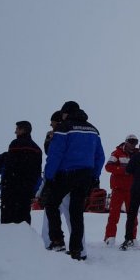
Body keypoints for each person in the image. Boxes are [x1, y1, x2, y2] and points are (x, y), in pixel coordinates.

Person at [44, 101, 105, 261]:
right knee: (76, 213)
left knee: (51, 204)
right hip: (85, 175)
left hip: (66, 173)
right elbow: (100, 157)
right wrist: (94, 176)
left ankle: (57, 240)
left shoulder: (63, 128)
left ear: (67, 113)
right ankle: (76, 250)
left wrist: (49, 177)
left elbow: (55, 154)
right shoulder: (93, 129)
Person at [38, 110, 85, 257]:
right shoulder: (72, 132)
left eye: (52, 122)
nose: (50, 125)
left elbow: (52, 153)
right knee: (72, 215)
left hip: (60, 177)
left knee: (54, 211)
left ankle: (54, 243)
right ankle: (77, 248)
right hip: (73, 176)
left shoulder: (62, 132)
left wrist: (50, 177)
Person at [0, 121, 42, 224]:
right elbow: (37, 172)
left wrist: (6, 184)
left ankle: (8, 238)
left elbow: (10, 166)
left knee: (7, 220)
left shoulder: (15, 144)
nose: (15, 132)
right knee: (23, 220)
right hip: (27, 190)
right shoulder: (37, 149)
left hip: (11, 189)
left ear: (23, 130)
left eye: (17, 129)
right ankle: (24, 238)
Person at [103, 134, 140, 246]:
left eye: (135, 142)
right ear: (126, 142)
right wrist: (124, 170)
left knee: (133, 215)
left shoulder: (138, 155)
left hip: (132, 190)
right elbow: (108, 167)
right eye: (131, 141)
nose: (133, 144)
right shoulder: (117, 153)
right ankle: (110, 237)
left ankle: (132, 238)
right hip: (118, 189)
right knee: (114, 214)